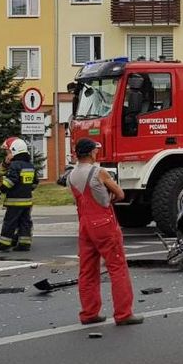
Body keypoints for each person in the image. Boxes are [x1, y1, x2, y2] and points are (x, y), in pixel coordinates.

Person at [67, 138, 142, 326]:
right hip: (103, 222)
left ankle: (89, 313)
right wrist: (109, 198)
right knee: (117, 267)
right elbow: (120, 194)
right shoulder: (98, 172)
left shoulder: (71, 175)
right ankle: (124, 314)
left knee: (87, 270)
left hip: (84, 223)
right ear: (92, 153)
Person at [0, 138, 36, 252]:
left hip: (14, 201)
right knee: (25, 222)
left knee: (10, 223)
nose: (7, 154)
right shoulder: (30, 165)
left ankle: (4, 244)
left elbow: (10, 181)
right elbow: (34, 182)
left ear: (14, 151)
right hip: (27, 201)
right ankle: (24, 244)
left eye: (8, 152)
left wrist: (0, 191)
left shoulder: (15, 165)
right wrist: (25, 190)